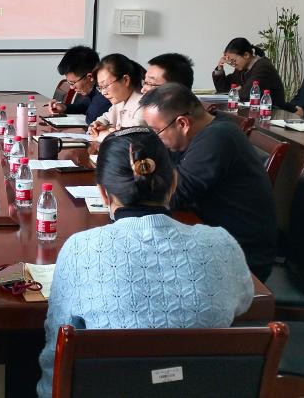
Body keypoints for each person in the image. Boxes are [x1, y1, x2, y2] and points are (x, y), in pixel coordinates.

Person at [36, 127, 254, 397]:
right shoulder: (221, 242)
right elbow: (244, 303)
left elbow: (56, 348)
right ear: (173, 182)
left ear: (103, 193)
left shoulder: (80, 249)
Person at [140, 83, 277, 281]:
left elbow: (172, 196)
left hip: (241, 256)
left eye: (156, 131)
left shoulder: (218, 137)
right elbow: (164, 170)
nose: (156, 138)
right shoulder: (197, 134)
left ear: (183, 124)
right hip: (211, 237)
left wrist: (131, 182)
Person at [87, 54, 146, 141]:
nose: (103, 93)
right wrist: (97, 125)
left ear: (126, 80)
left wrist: (102, 134)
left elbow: (126, 140)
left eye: (106, 85)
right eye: (100, 87)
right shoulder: (120, 102)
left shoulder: (143, 106)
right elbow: (105, 117)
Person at [46, 45, 111, 124]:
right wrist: (64, 107)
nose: (71, 87)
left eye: (73, 83)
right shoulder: (93, 88)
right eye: (69, 82)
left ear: (90, 77)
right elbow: (84, 106)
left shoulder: (104, 93)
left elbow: (91, 120)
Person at [212, 37, 285, 101]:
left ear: (246, 55)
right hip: (254, 109)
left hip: (274, 109)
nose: (233, 64)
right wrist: (220, 68)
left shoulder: (263, 66)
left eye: (233, 61)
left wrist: (238, 90)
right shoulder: (241, 69)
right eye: (230, 62)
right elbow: (223, 90)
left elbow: (248, 94)